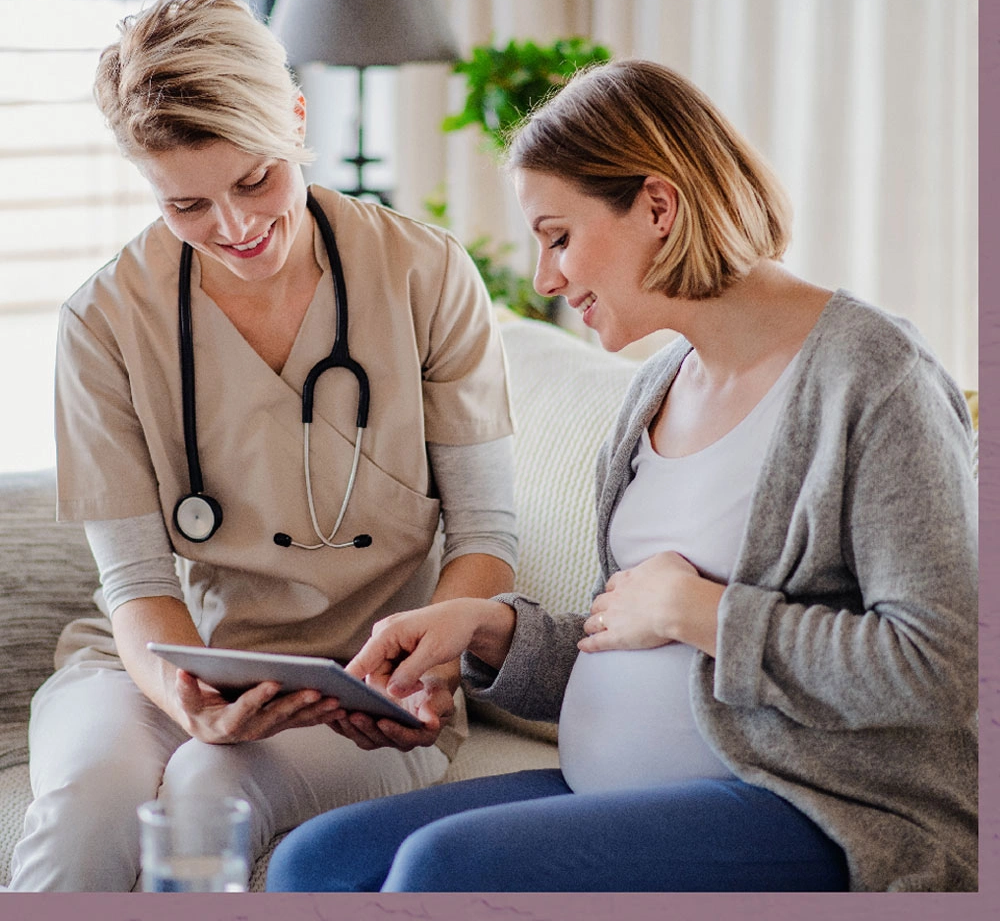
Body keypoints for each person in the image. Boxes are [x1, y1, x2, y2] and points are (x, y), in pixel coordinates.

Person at [265, 58, 978, 894]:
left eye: (559, 236)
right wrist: (488, 629)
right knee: (314, 861)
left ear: (659, 207)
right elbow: (629, 640)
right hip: (615, 789)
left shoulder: (873, 375)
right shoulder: (658, 386)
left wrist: (701, 610)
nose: (545, 280)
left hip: (814, 804)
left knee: (441, 871)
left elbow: (942, 667)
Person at [8, 0, 518, 892]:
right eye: (187, 205)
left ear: (296, 118)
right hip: (164, 664)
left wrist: (425, 666)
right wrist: (185, 699)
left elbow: (486, 537)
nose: (235, 229)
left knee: (212, 789)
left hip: (363, 682)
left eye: (256, 181)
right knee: (91, 795)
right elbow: (136, 584)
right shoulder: (104, 319)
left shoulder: (425, 274)